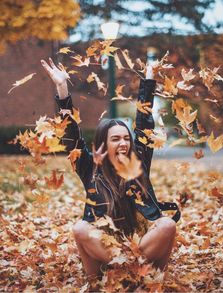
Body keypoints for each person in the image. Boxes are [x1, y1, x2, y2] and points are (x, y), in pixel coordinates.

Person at [41, 58, 181, 277]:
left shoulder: (139, 162)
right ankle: (125, 271)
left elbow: (144, 127)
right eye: (116, 139)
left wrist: (149, 80)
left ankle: (130, 272)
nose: (124, 143)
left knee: (167, 225)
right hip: (105, 245)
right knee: (80, 228)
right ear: (103, 144)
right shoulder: (89, 166)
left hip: (142, 243)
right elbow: (71, 138)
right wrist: (62, 88)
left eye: (126, 138)